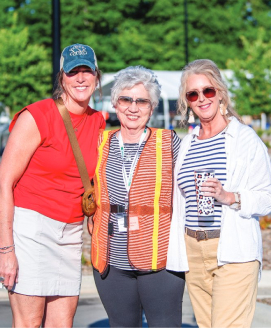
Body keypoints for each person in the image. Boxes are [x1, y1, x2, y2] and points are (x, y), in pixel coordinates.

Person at [0, 44, 106, 328]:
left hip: (71, 233)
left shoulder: (98, 121)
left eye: (86, 71)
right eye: (72, 71)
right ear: (61, 78)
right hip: (31, 229)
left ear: (96, 77)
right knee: (29, 322)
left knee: (62, 323)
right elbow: (3, 183)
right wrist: (6, 251)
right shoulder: (37, 116)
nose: (80, 78)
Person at [166, 59, 271, 328]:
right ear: (187, 101)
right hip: (192, 250)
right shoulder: (187, 144)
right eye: (193, 94)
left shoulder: (244, 138)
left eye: (208, 91)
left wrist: (231, 197)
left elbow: (268, 197)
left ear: (220, 93)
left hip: (232, 250)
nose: (202, 99)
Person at [90, 66, 184, 327]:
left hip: (160, 262)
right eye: (125, 99)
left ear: (151, 107)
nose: (133, 107)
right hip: (111, 261)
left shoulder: (170, 143)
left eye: (141, 101)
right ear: (115, 104)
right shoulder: (100, 142)